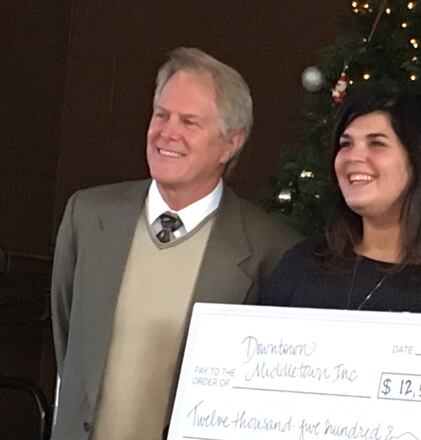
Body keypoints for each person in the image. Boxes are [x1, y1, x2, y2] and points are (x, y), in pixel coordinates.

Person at [50, 47, 300, 440]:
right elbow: (68, 341)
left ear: (231, 144)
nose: (167, 132)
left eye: (190, 122)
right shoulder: (88, 215)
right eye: (161, 114)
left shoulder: (272, 249)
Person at [260, 88, 421, 318]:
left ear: (420, 162)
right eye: (346, 144)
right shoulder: (301, 266)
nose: (354, 156)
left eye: (377, 143)